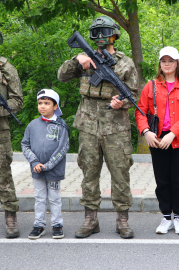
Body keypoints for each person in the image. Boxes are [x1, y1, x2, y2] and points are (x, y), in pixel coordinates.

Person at [57, 16, 138, 239]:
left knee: (120, 173)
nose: (102, 37)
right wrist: (77, 58)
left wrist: (123, 102)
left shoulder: (125, 62)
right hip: (88, 124)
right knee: (89, 172)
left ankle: (122, 219)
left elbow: (135, 95)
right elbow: (62, 76)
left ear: (114, 35)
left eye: (106, 32)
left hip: (116, 126)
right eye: (97, 33)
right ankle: (90, 219)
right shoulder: (85, 58)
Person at [135, 47, 179, 234]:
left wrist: (173, 133)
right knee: (162, 180)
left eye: (171, 60)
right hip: (158, 141)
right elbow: (140, 111)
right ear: (160, 64)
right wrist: (146, 131)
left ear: (177, 63)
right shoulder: (151, 86)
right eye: (163, 61)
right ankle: (165, 217)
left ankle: (178, 216)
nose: (167, 64)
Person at [21, 89, 69, 239]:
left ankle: (57, 225)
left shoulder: (61, 126)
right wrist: (35, 162)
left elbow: (64, 147)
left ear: (55, 106)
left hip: (54, 171)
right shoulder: (32, 125)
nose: (42, 106)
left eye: (47, 103)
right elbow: (25, 144)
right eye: (40, 103)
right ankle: (39, 225)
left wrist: (48, 165)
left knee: (54, 198)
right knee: (40, 198)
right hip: (37, 170)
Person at [0, 31, 24, 239]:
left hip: (0, 130)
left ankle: (10, 217)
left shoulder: (6, 69)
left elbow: (18, 101)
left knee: (3, 176)